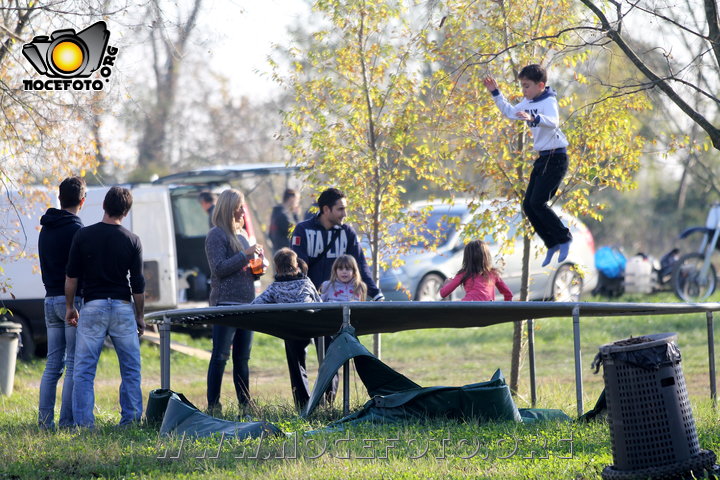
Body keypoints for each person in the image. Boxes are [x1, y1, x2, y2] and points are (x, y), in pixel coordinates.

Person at [289, 187, 383, 407]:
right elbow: (298, 268)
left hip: (334, 309)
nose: (344, 214)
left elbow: (360, 265)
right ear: (326, 209)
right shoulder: (302, 230)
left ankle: (327, 404)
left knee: (332, 356)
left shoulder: (347, 233)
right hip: (306, 305)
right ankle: (304, 404)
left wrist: (375, 293)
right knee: (294, 348)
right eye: (340, 209)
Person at [65, 186, 145, 428]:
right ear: (126, 211)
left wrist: (70, 306)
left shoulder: (83, 236)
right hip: (122, 307)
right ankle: (130, 421)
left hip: (93, 306)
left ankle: (85, 424)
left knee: (84, 370)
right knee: (131, 368)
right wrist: (139, 316)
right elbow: (138, 284)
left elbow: (71, 277)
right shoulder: (133, 240)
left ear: (103, 206)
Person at [483, 64, 573, 267]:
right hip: (543, 158)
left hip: (556, 157)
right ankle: (552, 243)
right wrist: (495, 92)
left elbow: (553, 121)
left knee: (538, 202)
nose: (523, 91)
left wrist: (534, 118)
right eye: (522, 87)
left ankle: (564, 237)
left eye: (527, 86)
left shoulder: (548, 100)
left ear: (541, 85)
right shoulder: (526, 102)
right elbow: (509, 112)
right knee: (528, 205)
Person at [205, 188, 263, 413]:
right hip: (225, 305)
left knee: (242, 358)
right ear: (229, 208)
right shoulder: (216, 235)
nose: (242, 211)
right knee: (220, 355)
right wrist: (245, 255)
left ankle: (245, 405)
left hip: (247, 306)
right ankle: (213, 405)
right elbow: (218, 269)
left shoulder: (242, 236)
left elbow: (243, 268)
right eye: (239, 206)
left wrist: (257, 268)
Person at [37, 176, 86, 429]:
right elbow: (79, 270)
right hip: (71, 302)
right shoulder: (77, 230)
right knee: (73, 362)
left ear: (59, 198)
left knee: (52, 364)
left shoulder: (46, 228)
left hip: (49, 299)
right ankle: (67, 422)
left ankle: (45, 423)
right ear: (82, 200)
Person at [250, 248, 322, 408]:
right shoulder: (306, 283)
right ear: (296, 264)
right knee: (324, 361)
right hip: (312, 326)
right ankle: (323, 399)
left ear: (277, 267)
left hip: (290, 329)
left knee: (296, 365)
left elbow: (255, 305)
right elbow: (319, 303)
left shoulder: (275, 288)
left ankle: (302, 404)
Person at [439, 240, 513, 302]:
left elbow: (443, 294)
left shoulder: (464, 274)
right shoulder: (493, 273)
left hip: (468, 308)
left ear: (467, 258)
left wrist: (447, 284)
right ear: (486, 256)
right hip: (488, 310)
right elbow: (509, 294)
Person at [268, 189, 300, 254]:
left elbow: (270, 234)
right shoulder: (283, 215)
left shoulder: (276, 212)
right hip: (284, 252)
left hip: (277, 249)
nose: (297, 202)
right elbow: (297, 230)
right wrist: (295, 214)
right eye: (297, 199)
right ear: (291, 198)